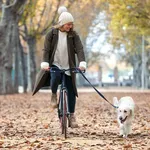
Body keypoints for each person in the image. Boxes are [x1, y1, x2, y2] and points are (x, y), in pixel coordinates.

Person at [40, 6, 86, 128]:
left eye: (71, 24)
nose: (70, 26)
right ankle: (54, 94)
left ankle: (71, 115)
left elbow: (80, 49)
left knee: (71, 91)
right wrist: (45, 63)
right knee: (54, 78)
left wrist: (82, 63)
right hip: (55, 64)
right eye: (68, 24)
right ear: (62, 23)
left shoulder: (73, 35)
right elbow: (46, 49)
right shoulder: (52, 34)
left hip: (69, 65)